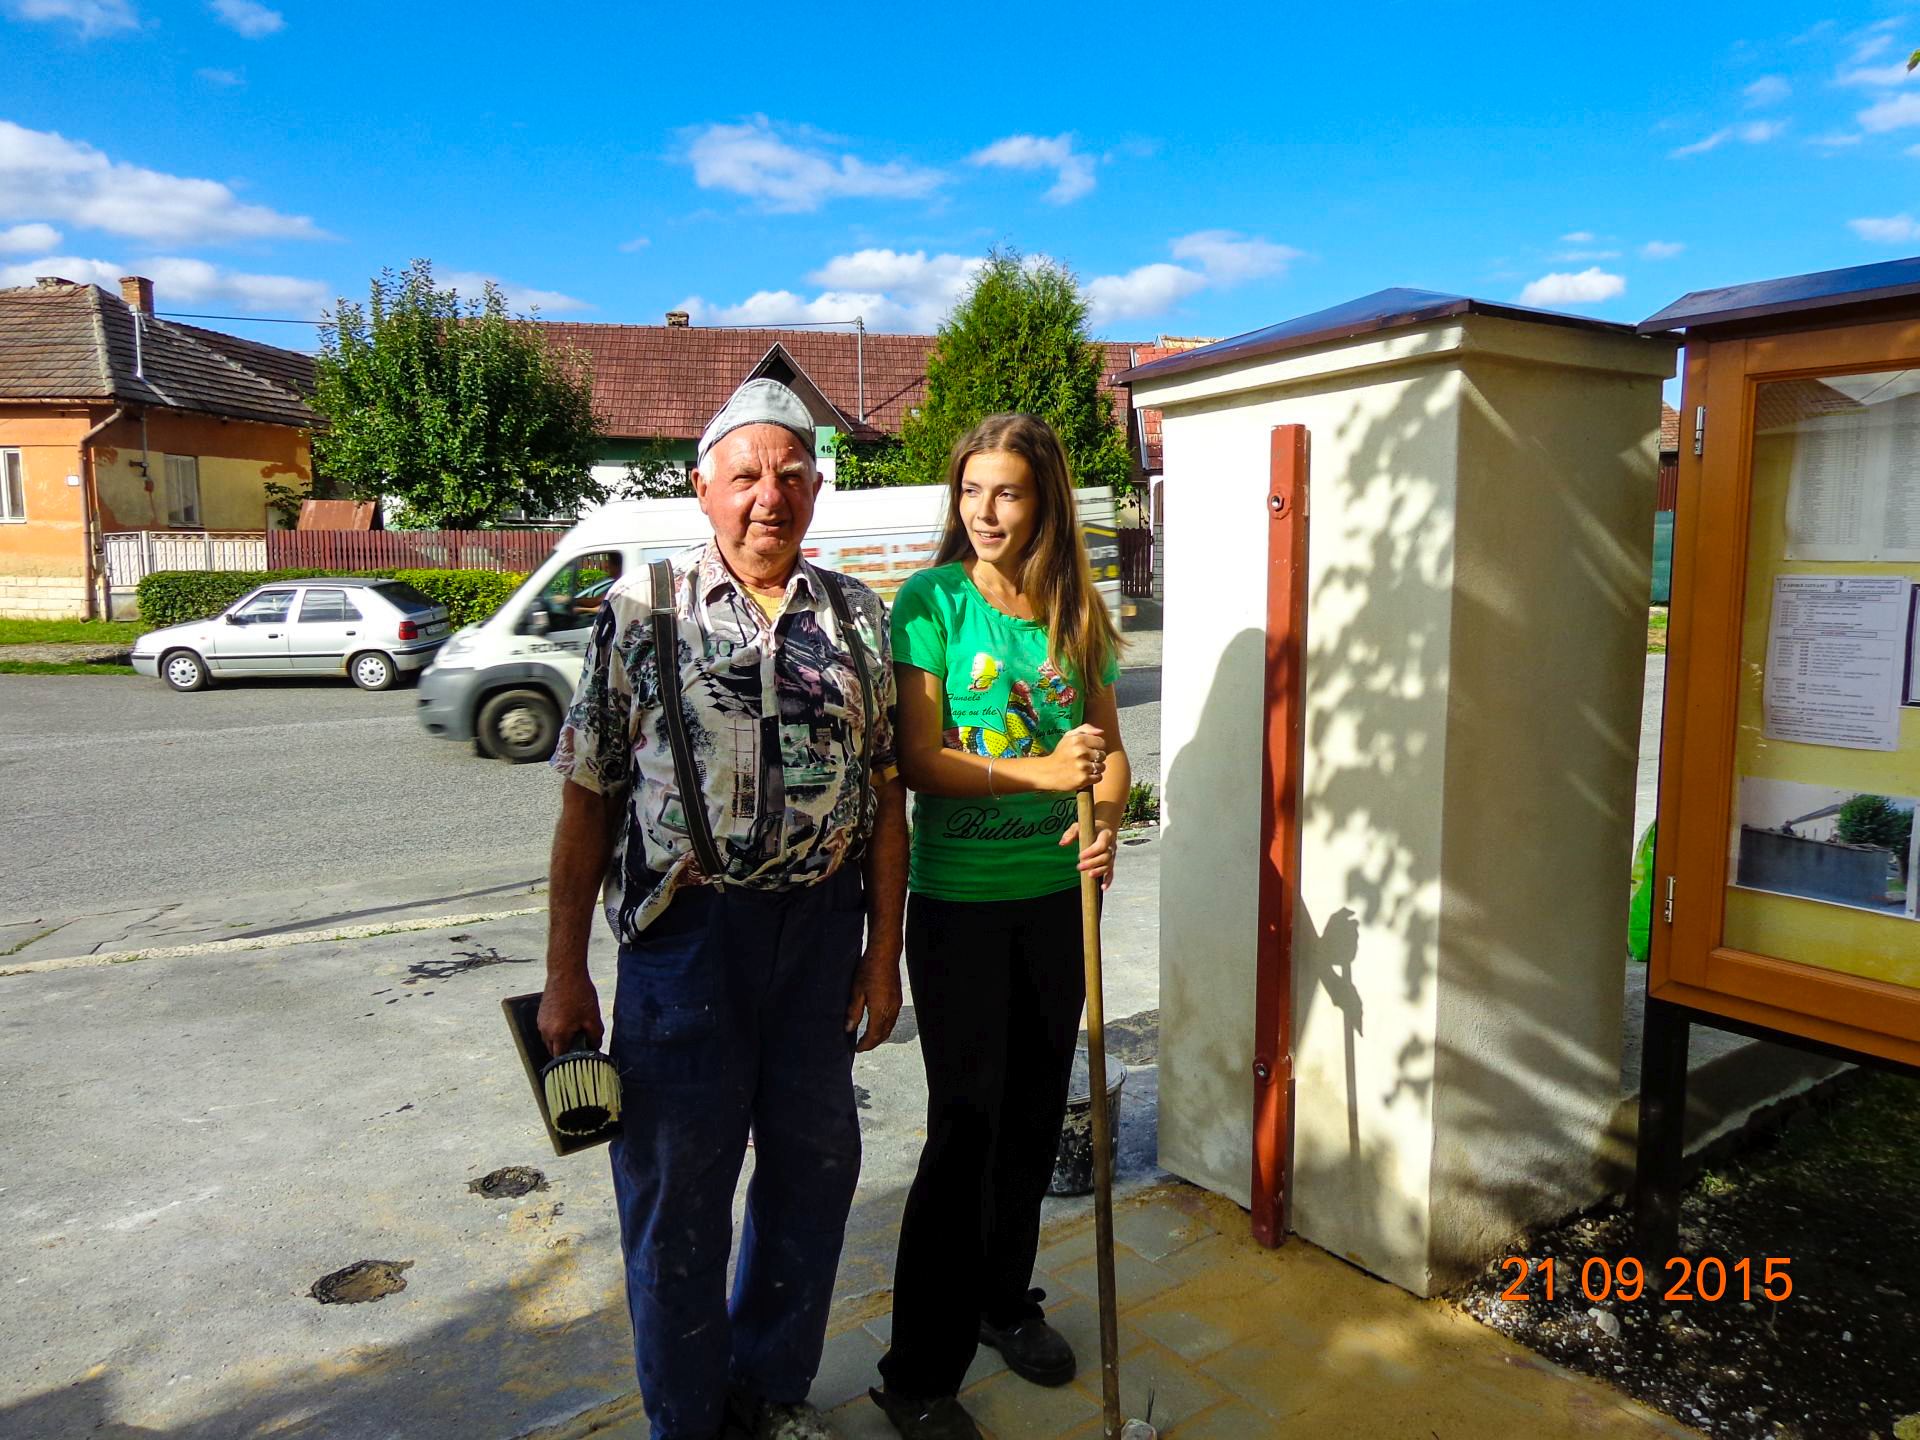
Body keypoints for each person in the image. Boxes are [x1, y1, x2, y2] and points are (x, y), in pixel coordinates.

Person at [540, 377, 907, 1440]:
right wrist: (565, 973)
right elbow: (586, 802)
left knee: (813, 1179)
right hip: (685, 948)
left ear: (817, 490)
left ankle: (769, 1393)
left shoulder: (857, 615)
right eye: (745, 476)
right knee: (677, 1202)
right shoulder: (641, 611)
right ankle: (688, 1421)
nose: (768, 496)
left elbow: (887, 798)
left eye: (790, 475)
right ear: (703, 489)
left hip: (821, 939)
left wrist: (883, 955)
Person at [871, 414, 1130, 1440]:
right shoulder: (932, 601)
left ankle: (1002, 1303)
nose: (985, 511)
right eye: (971, 490)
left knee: (1031, 1116)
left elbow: (1109, 752)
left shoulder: (1077, 612)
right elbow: (919, 759)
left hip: (1058, 904)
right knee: (964, 1130)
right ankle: (917, 1375)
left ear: (1044, 500)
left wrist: (1105, 819)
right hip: (961, 909)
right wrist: (1042, 772)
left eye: (1008, 491)